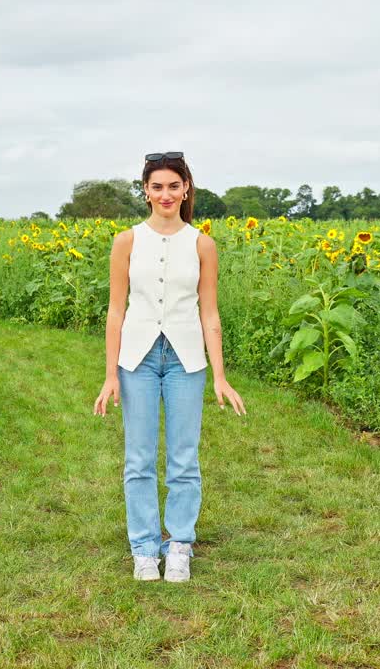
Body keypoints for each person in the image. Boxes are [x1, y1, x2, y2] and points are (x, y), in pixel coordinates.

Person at [94, 151, 246, 583]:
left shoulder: (202, 244)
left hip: (186, 361)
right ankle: (144, 548)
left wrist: (219, 375)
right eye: (157, 186)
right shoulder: (126, 241)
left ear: (185, 190)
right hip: (137, 360)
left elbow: (210, 314)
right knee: (138, 458)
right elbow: (115, 313)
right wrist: (110, 376)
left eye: (173, 186)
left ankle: (179, 544)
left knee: (184, 458)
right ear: (145, 191)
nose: (165, 194)